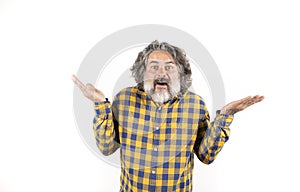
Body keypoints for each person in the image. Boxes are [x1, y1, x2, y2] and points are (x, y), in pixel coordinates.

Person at [72, 40, 264, 192]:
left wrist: (226, 115)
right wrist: (99, 103)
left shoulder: (195, 104)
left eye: (169, 67)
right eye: (153, 67)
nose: (161, 73)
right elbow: (106, 148)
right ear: (143, 72)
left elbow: (206, 155)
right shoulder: (124, 99)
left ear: (180, 73)